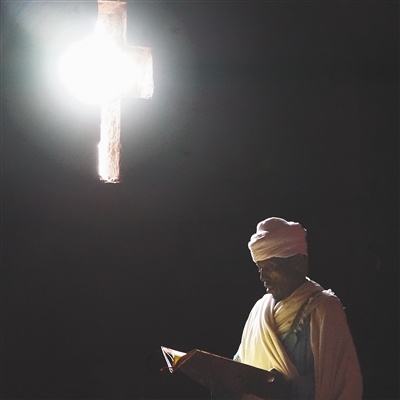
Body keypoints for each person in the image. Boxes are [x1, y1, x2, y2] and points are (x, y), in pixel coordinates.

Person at [234, 217, 363, 400]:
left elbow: (340, 383)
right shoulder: (259, 311)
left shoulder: (324, 309)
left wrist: (286, 390)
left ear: (296, 263)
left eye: (270, 267)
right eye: (259, 268)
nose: (263, 277)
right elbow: (239, 366)